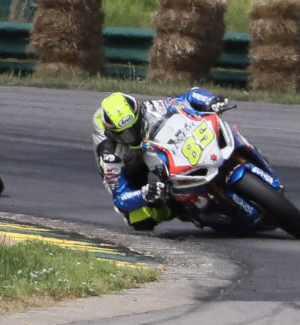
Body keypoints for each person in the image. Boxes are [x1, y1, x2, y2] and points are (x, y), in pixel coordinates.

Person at [91, 88, 234, 231]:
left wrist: (210, 100)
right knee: (139, 218)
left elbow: (186, 97)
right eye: (126, 135)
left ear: (139, 114)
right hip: (129, 161)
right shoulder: (110, 157)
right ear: (113, 134)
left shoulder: (149, 109)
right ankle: (175, 209)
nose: (133, 136)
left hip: (151, 142)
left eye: (135, 127)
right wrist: (143, 194)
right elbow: (120, 199)